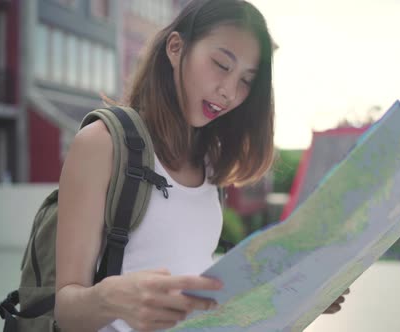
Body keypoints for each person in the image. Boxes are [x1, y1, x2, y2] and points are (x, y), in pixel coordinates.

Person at [54, 1, 348, 331]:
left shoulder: (212, 161)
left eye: (246, 81)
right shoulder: (102, 142)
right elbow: (65, 311)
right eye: (222, 65)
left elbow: (199, 298)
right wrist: (111, 298)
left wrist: (291, 293)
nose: (229, 92)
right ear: (176, 48)